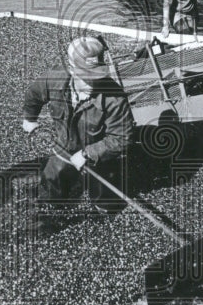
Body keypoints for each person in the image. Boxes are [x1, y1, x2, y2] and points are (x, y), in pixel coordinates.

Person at [21, 36, 135, 225]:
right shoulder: (54, 79)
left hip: (99, 151)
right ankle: (51, 212)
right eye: (86, 77)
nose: (92, 83)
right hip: (64, 144)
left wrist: (87, 154)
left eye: (97, 76)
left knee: (106, 201)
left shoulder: (115, 98)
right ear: (72, 70)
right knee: (50, 188)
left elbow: (122, 138)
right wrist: (29, 118)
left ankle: (103, 207)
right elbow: (33, 94)